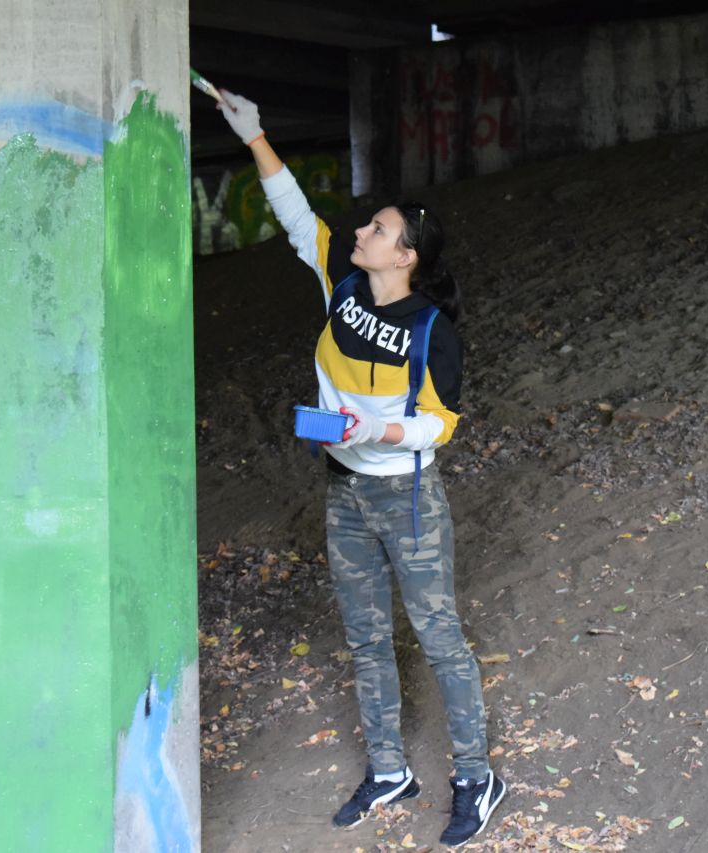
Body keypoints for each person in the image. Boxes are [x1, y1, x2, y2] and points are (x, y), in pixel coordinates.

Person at [217, 90, 505, 848]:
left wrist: (374, 428)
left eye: (377, 230)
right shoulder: (340, 286)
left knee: (438, 636)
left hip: (407, 499)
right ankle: (389, 769)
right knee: (366, 636)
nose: (360, 232)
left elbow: (441, 423)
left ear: (405, 256)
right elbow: (296, 216)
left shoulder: (433, 330)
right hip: (344, 492)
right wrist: (255, 135)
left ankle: (476, 777)